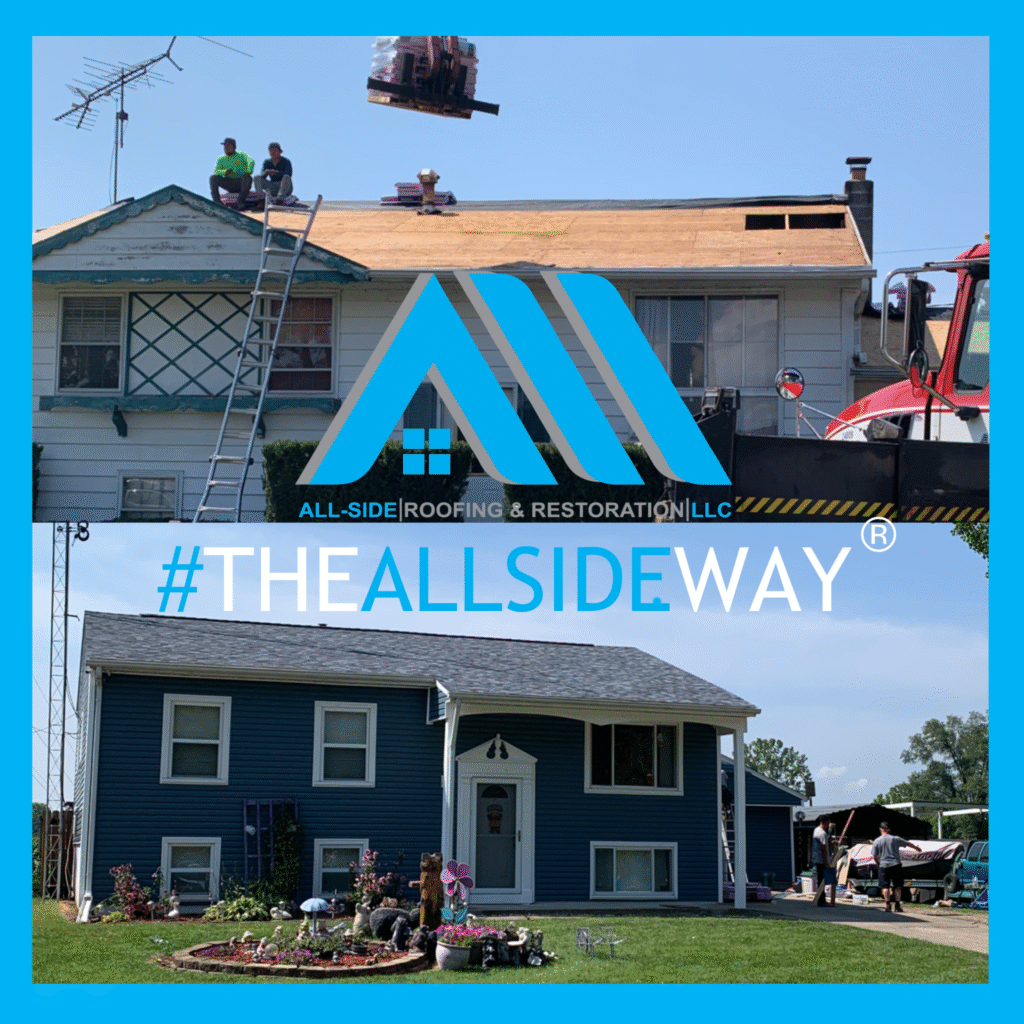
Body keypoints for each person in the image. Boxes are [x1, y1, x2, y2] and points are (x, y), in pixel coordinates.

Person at [871, 821, 922, 913]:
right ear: (889, 829)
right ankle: (898, 905)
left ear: (880, 829)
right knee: (897, 886)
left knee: (885, 886)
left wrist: (878, 863)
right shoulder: (896, 839)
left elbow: (874, 855)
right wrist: (916, 848)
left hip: (883, 866)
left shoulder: (877, 841)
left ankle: (888, 904)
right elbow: (908, 844)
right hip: (895, 865)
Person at [210, 137, 255, 209]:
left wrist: (248, 171)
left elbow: (251, 162)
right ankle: (217, 202)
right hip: (229, 183)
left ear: (234, 147)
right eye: (225, 146)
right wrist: (224, 172)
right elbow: (216, 171)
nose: (226, 148)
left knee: (248, 178)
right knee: (213, 178)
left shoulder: (242, 155)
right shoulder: (221, 159)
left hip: (241, 183)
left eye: (228, 146)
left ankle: (240, 202)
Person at [811, 814, 832, 907]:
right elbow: (823, 849)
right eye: (828, 822)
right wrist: (826, 863)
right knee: (823, 881)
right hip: (821, 860)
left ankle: (822, 899)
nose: (829, 824)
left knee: (821, 880)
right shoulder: (822, 833)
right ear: (824, 822)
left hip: (817, 858)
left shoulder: (816, 830)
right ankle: (821, 900)